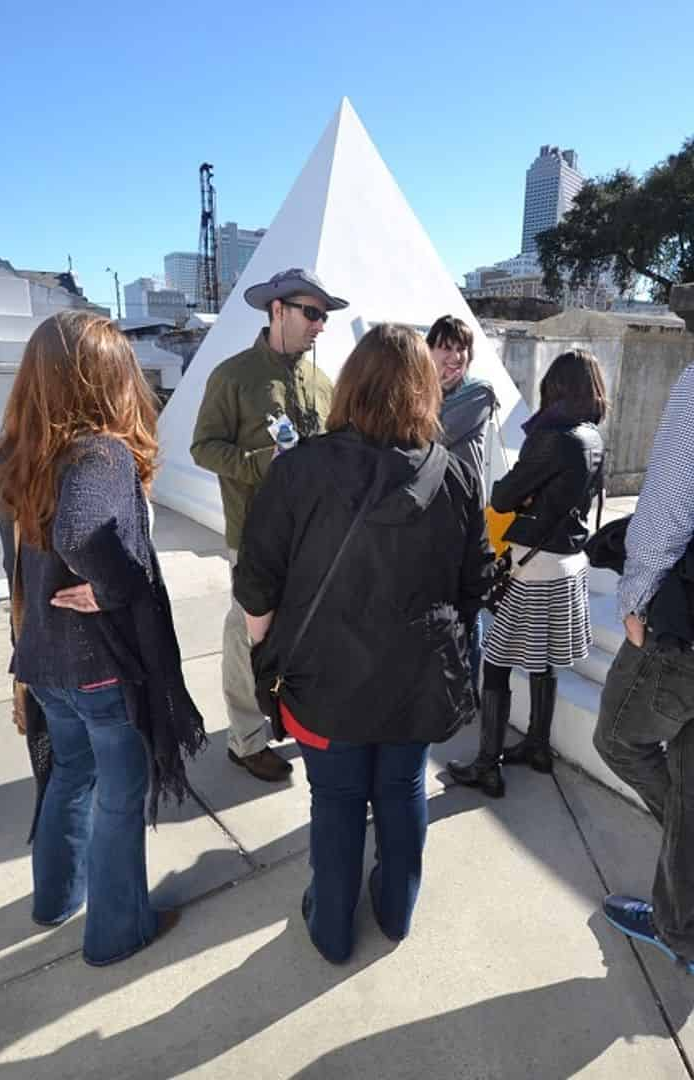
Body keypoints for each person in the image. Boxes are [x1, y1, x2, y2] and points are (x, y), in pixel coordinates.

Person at [234, 323, 492, 963]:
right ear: (424, 391)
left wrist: (263, 649)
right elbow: (476, 585)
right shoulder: (455, 476)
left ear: (351, 385)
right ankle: (396, 910)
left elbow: (256, 587)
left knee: (338, 801)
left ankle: (331, 927)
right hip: (415, 685)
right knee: (403, 792)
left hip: (323, 683)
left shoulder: (300, 470)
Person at [0, 310, 206, 967]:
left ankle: (56, 900)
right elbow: (83, 534)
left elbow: (23, 557)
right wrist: (117, 587)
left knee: (70, 774)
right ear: (105, 377)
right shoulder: (99, 452)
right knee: (118, 794)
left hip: (42, 654)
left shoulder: (10, 452)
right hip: (101, 664)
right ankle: (117, 932)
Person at [191, 267, 348, 782]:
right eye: (312, 313)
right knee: (245, 633)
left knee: (303, 630)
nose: (320, 325)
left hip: (313, 537)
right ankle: (245, 739)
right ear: (276, 310)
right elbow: (203, 447)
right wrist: (261, 464)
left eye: (324, 316)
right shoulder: (232, 376)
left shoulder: (321, 382)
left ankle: (293, 715)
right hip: (256, 534)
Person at [448, 349, 606, 798]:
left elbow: (501, 497)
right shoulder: (592, 435)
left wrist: (524, 497)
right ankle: (537, 746)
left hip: (535, 564)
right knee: (547, 659)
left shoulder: (553, 436)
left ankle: (486, 765)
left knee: (496, 661)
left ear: (557, 389)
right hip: (570, 564)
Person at [594, 362, 694, 974]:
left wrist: (634, 596)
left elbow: (669, 501)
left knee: (616, 738)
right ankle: (679, 919)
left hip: (683, 638)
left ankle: (680, 917)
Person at [426, 315, 498, 693]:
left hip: (463, 524)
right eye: (446, 347)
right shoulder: (422, 394)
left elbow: (423, 433)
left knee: (468, 612)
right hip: (426, 522)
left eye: (461, 348)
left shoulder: (477, 393)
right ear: (429, 351)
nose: (455, 357)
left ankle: (466, 692)